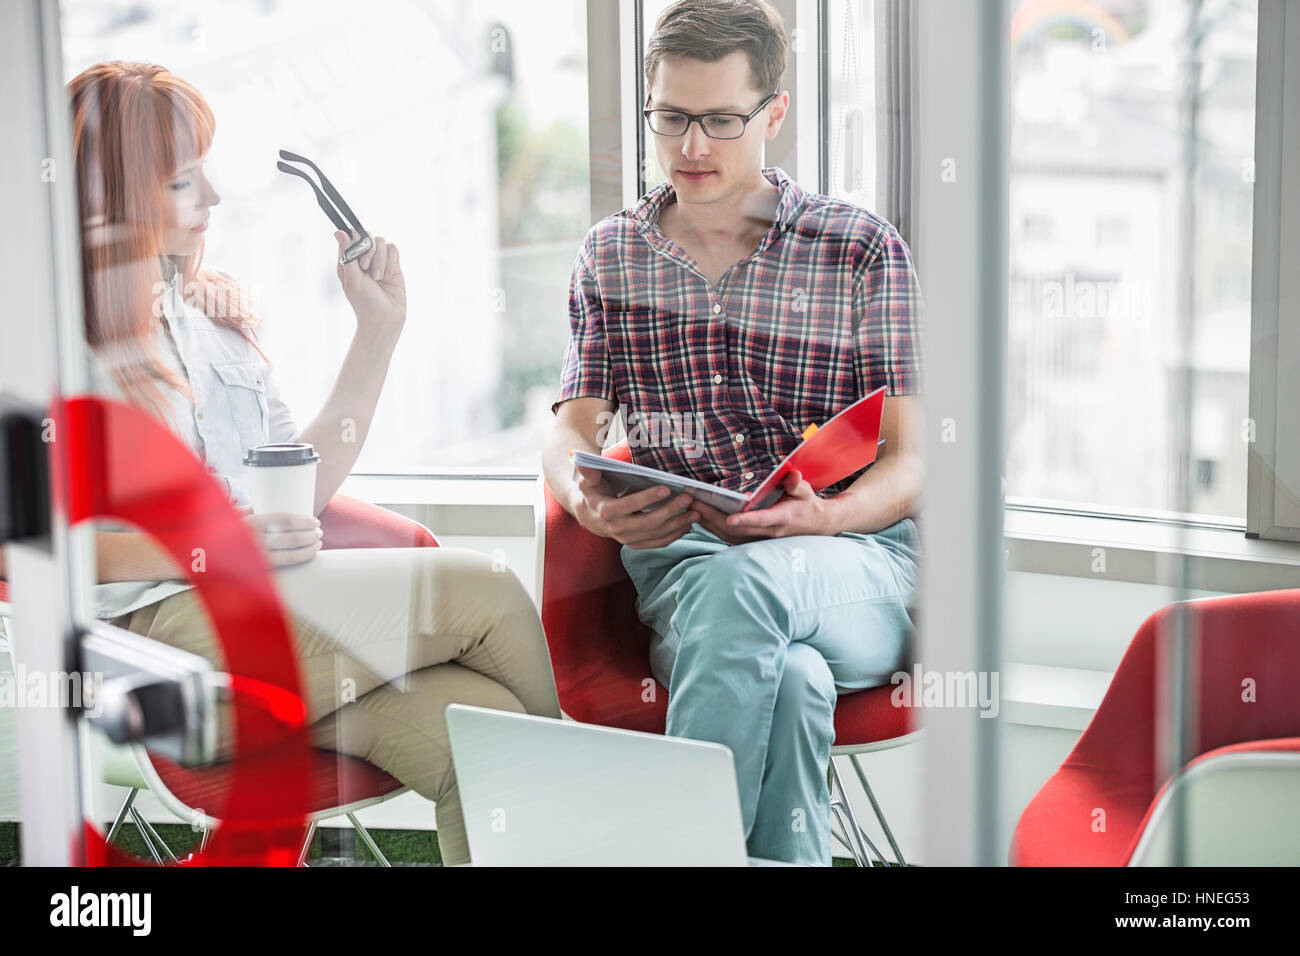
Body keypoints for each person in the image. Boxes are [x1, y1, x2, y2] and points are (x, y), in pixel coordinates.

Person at [65, 60, 562, 866]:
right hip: (158, 650)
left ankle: (572, 816)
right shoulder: (54, 345)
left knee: (489, 741)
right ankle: (608, 817)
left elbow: (301, 482)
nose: (216, 201)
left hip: (280, 631)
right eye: (186, 182)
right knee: (492, 593)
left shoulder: (211, 322)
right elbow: (50, 548)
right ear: (112, 200)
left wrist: (377, 332)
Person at [542, 0, 925, 865]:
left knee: (754, 585)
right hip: (687, 570)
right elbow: (570, 434)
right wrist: (586, 502)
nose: (692, 149)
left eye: (721, 120)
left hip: (855, 567)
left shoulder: (860, 250)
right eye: (671, 119)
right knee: (789, 685)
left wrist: (824, 518)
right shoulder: (612, 257)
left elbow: (916, 460)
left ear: (774, 114)